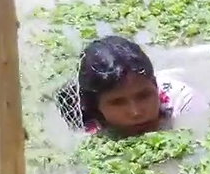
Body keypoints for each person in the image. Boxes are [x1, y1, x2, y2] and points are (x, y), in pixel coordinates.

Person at [55, 36, 198, 137]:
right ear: (96, 106)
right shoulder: (87, 127)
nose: (136, 112)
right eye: (118, 102)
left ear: (155, 86)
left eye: (144, 95)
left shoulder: (184, 101)